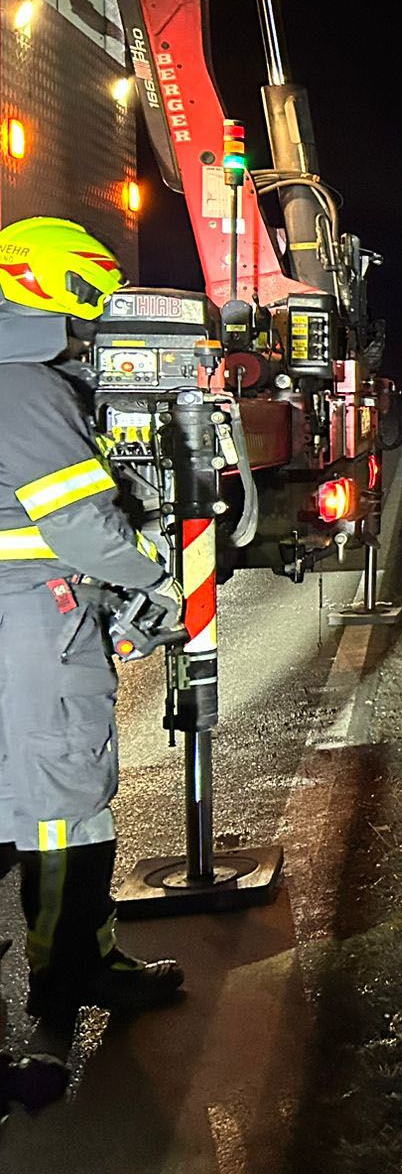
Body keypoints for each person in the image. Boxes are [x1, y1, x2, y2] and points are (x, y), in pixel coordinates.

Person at [0, 217, 185, 1033]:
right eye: (90, 294)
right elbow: (78, 526)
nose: (97, 314)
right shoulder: (27, 385)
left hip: (22, 616)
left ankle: (67, 970)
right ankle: (73, 974)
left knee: (23, 797)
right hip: (38, 624)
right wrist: (155, 576)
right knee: (65, 801)